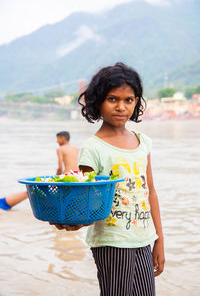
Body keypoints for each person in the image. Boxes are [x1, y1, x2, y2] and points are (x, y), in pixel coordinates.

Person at [53, 62, 165, 295]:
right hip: (111, 241)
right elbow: (83, 199)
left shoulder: (143, 142)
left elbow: (150, 191)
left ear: (136, 102)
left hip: (143, 238)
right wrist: (72, 222)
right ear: (98, 101)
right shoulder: (94, 148)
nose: (121, 107)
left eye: (129, 100)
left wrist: (159, 239)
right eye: (112, 99)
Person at [0, 131, 79, 211]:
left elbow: (60, 167)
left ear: (63, 138)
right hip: (77, 177)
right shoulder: (76, 149)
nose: (57, 141)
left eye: (58, 139)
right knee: (66, 198)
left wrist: (55, 179)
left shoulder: (60, 149)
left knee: (34, 191)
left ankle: (5, 203)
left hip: (66, 177)